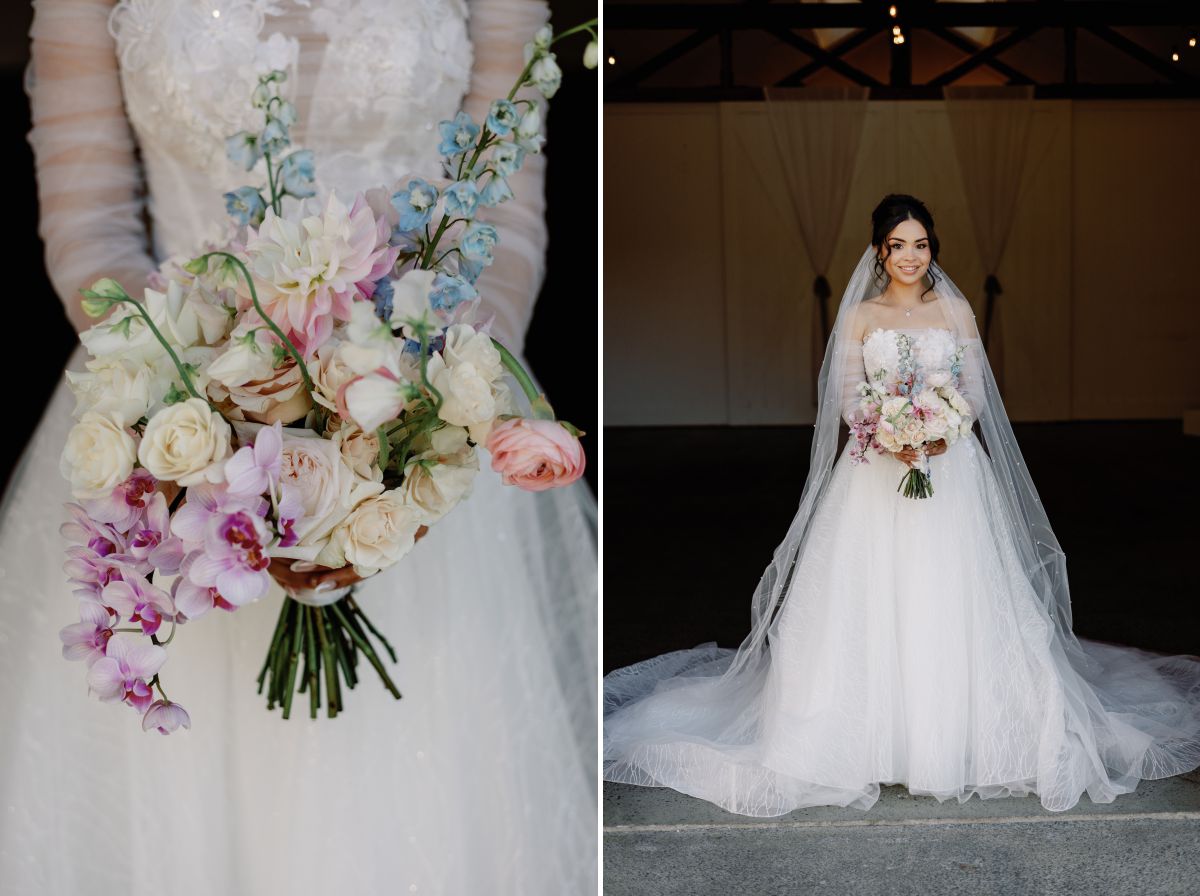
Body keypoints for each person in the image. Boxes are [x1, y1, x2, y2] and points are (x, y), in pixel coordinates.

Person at [0, 1, 597, 893]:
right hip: (167, 431)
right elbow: (89, 218)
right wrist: (196, 390)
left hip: (416, 411)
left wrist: (417, 406)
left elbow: (504, 196)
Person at [603, 194, 1200, 817]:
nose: (910, 257)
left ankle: (955, 736)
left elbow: (973, 390)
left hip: (953, 472)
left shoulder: (954, 311)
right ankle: (865, 739)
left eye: (920, 245)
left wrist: (944, 427)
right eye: (897, 246)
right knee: (869, 596)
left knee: (951, 591)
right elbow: (845, 394)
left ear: (931, 250)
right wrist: (886, 431)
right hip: (874, 473)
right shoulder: (861, 315)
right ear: (879, 251)